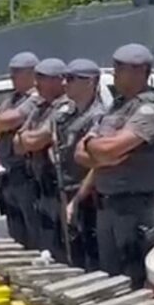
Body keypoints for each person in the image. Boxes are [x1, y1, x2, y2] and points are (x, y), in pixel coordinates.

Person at [76, 43, 154, 288]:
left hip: (133, 207)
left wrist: (100, 150)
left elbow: (109, 149)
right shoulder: (116, 106)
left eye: (122, 68)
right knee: (109, 281)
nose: (115, 73)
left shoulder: (152, 109)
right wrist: (96, 150)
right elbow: (80, 153)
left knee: (133, 281)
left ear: (141, 71)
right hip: (107, 204)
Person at [0, 52, 41, 246]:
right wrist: (2, 123)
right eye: (12, 72)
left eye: (17, 72)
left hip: (27, 174)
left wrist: (2, 123)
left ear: (32, 74)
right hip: (9, 174)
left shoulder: (35, 97)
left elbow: (11, 119)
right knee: (16, 233)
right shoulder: (12, 99)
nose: (12, 77)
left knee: (34, 232)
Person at [13, 57, 69, 253]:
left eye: (42, 78)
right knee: (44, 243)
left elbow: (36, 140)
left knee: (62, 246)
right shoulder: (39, 107)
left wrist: (27, 138)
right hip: (40, 187)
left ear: (58, 80)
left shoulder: (65, 106)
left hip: (58, 188)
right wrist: (27, 139)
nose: (36, 84)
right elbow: (18, 145)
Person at [59, 59, 106, 269]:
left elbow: (97, 165)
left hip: (87, 197)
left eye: (70, 79)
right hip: (67, 191)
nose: (64, 84)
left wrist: (77, 200)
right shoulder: (69, 114)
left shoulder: (98, 116)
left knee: (90, 260)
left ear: (90, 82)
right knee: (72, 257)